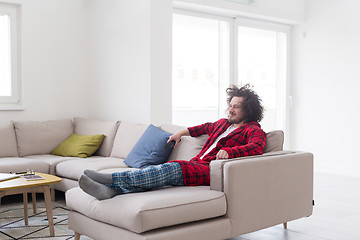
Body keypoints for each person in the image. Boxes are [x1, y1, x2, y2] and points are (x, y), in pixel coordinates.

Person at [79, 84, 267, 200]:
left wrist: (231, 152)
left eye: (236, 107)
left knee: (169, 168)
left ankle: (113, 179)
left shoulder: (253, 130)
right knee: (160, 178)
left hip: (212, 170)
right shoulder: (222, 124)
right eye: (230, 105)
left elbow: (257, 147)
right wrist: (179, 134)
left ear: (248, 109)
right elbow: (199, 128)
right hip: (197, 165)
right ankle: (113, 191)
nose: (230, 109)